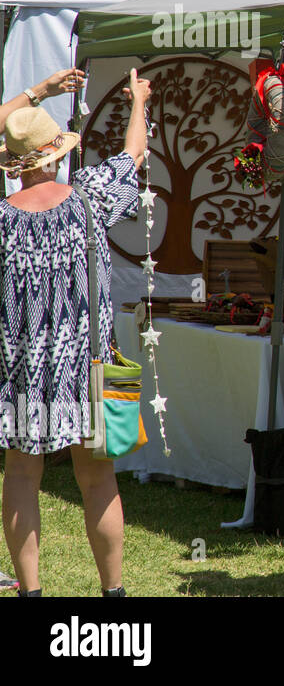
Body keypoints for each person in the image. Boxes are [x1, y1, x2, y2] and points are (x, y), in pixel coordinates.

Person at [1, 67, 147, 597]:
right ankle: (113, 594)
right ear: (57, 154)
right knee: (98, 478)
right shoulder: (89, 198)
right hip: (91, 365)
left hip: (20, 371)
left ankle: (32, 593)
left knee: (20, 476)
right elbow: (133, 155)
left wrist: (35, 92)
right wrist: (139, 103)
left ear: (15, 166)